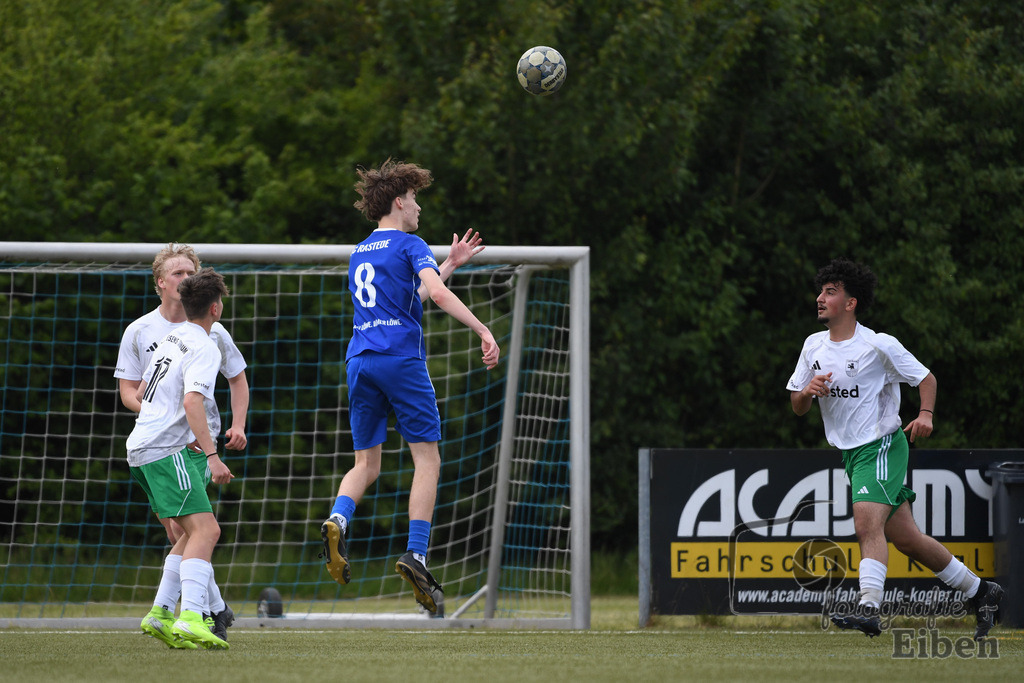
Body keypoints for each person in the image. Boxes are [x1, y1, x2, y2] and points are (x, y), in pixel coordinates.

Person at [787, 257, 1003, 639]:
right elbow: (797, 406)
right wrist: (807, 392)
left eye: (830, 292)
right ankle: (981, 592)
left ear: (851, 303)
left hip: (882, 445)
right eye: (821, 291)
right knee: (907, 540)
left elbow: (926, 378)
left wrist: (926, 414)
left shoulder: (877, 345)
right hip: (852, 454)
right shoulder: (813, 345)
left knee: (866, 524)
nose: (820, 298)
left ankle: (869, 608)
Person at [320, 159, 500, 616]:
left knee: (366, 463)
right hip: (401, 360)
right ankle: (416, 554)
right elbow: (435, 296)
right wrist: (483, 330)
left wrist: (450, 263)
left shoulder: (361, 250)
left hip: (360, 361)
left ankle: (338, 518)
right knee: (427, 458)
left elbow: (410, 299)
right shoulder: (410, 242)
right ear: (400, 201)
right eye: (415, 199)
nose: (419, 208)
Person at [116, 244, 248, 644]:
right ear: (216, 308)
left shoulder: (171, 339)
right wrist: (212, 455)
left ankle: (160, 613)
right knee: (207, 531)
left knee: (189, 534)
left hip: (140, 448)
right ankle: (194, 615)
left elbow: (146, 391)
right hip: (167, 449)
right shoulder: (204, 345)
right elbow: (192, 401)